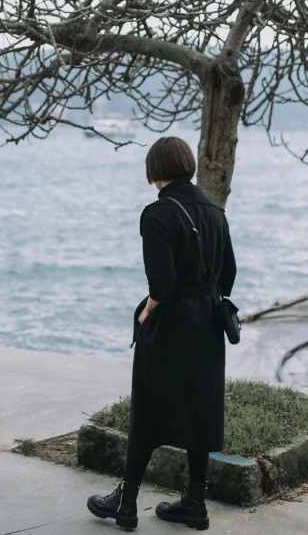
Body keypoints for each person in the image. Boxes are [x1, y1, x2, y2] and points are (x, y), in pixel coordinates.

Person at [87, 136, 236, 532]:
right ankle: (195, 504)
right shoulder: (215, 211)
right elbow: (229, 276)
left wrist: (146, 313)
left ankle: (126, 501)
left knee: (149, 404)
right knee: (200, 407)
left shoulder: (156, 214)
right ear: (186, 165)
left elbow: (163, 284)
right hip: (207, 322)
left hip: (171, 322)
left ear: (154, 169)